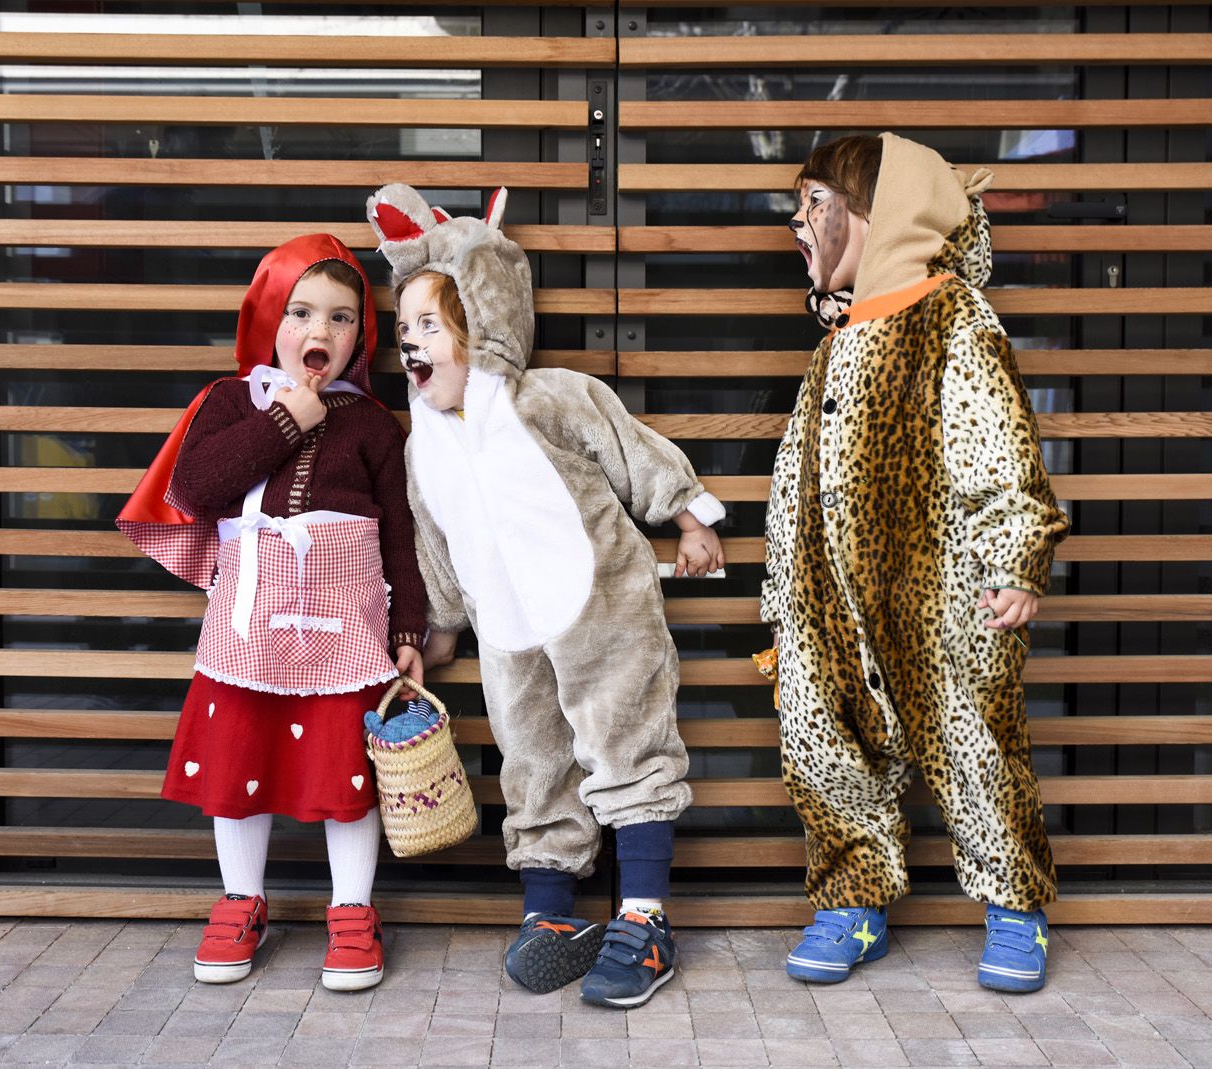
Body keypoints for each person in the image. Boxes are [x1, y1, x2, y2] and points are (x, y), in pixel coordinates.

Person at [366, 184, 724, 1009]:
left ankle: (644, 916)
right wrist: (444, 623)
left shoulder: (547, 397)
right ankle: (551, 914)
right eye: (405, 329)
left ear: (483, 320)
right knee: (532, 764)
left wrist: (687, 513)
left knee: (626, 742)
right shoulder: (424, 444)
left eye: (433, 325)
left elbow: (630, 447)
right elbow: (433, 538)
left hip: (601, 608)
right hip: (509, 631)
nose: (414, 345)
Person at [762, 133, 1069, 993]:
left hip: (938, 595)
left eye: (814, 201)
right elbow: (801, 474)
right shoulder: (837, 337)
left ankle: (1015, 905)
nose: (798, 218)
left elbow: (997, 441)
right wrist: (785, 593)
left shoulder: (950, 317)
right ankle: (853, 898)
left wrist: (1014, 554)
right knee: (824, 746)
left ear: (878, 211)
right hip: (829, 602)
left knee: (975, 744)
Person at [115, 235, 426, 992]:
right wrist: (288, 419)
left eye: (342, 318)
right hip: (247, 629)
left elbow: (400, 532)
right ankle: (241, 898)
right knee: (237, 761)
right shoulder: (230, 402)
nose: (320, 332)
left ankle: (353, 909)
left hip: (346, 630)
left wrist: (410, 631)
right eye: (301, 312)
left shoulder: (375, 426)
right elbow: (197, 486)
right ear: (267, 318)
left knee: (345, 768)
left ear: (361, 336)